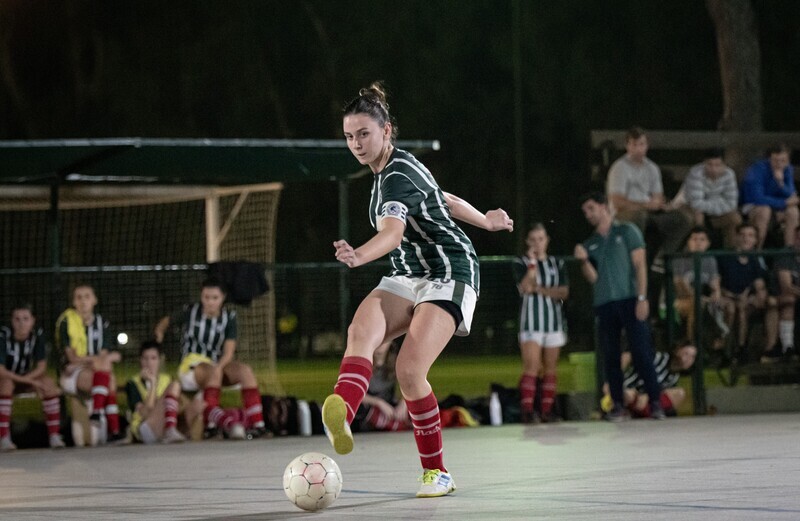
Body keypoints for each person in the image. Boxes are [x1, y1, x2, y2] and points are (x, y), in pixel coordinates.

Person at [321, 82, 514, 498]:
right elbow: (442, 198)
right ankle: (342, 410)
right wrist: (485, 219)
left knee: (409, 371)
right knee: (361, 331)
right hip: (410, 273)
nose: (355, 143)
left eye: (363, 134)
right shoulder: (393, 172)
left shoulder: (395, 176)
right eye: (349, 136)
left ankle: (437, 473)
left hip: (449, 271)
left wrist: (358, 255)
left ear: (386, 130)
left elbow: (391, 234)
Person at [574, 191, 665, 422]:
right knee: (611, 356)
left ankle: (655, 402)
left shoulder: (626, 231)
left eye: (591, 209)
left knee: (641, 351)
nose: (588, 215)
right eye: (585, 211)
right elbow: (593, 278)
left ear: (604, 207)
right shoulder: (591, 243)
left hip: (630, 299)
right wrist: (583, 261)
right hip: (605, 303)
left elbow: (640, 265)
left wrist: (642, 298)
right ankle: (617, 404)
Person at [154, 277, 265, 440]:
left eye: (215, 298)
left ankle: (258, 426)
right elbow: (166, 321)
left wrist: (220, 366)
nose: (210, 302)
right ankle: (210, 426)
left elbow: (229, 351)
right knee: (214, 371)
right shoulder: (190, 311)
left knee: (245, 371)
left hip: (216, 364)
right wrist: (159, 334)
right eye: (206, 297)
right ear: (201, 296)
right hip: (192, 366)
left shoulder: (229, 317)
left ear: (223, 298)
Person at [606, 126, 692, 266]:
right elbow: (617, 202)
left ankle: (663, 257)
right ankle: (636, 257)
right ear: (627, 146)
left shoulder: (652, 168)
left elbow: (658, 195)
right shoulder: (619, 168)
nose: (638, 149)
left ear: (647, 146)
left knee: (682, 218)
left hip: (650, 211)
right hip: (625, 213)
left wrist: (659, 204)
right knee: (640, 216)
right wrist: (645, 205)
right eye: (634, 145)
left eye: (641, 144)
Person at [512, 223, 569, 423]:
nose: (538, 243)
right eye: (533, 239)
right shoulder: (521, 262)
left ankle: (547, 410)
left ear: (547, 240)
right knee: (532, 366)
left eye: (541, 239)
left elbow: (563, 292)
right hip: (531, 322)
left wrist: (541, 290)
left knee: (551, 368)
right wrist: (533, 265)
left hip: (553, 321)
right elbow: (526, 287)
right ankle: (528, 411)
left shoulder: (557, 263)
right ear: (528, 242)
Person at [54, 284, 124, 444]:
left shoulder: (102, 323)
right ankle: (113, 427)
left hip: (95, 373)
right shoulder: (67, 322)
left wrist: (90, 360)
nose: (83, 301)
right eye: (79, 297)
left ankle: (99, 414)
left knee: (107, 376)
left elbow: (102, 357)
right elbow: (72, 358)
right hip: (71, 374)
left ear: (94, 300)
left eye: (87, 297)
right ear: (73, 302)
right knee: (108, 375)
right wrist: (95, 360)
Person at [0, 304, 65, 450]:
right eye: (17, 319)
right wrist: (29, 381)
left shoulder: (37, 335)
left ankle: (54, 436)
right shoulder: (3, 336)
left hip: (26, 377)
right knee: (6, 384)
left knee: (48, 383)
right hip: (6, 379)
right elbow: (1, 370)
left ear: (32, 320)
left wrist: (30, 379)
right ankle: (3, 437)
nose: (21, 323)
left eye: (25, 319)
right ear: (12, 321)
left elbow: (41, 366)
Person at [716, 223, 777, 364]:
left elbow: (759, 283)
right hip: (728, 298)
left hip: (746, 300)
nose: (746, 239)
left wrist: (757, 293)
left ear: (755, 240)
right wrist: (732, 295)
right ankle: (726, 350)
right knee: (733, 308)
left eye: (750, 236)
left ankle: (747, 349)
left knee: (760, 305)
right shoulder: (725, 258)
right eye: (742, 235)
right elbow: (718, 283)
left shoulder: (755, 260)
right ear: (736, 237)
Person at [602, 345, 696, 419]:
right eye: (686, 353)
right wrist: (611, 380)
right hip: (629, 391)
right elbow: (627, 356)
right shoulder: (658, 357)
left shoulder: (674, 377)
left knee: (680, 393)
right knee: (628, 394)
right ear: (678, 350)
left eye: (692, 357)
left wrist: (648, 397)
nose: (688, 359)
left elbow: (662, 394)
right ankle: (622, 409)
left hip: (645, 401)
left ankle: (643, 412)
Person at [671, 226, 727, 348]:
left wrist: (715, 295)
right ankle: (694, 346)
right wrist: (700, 298)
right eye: (694, 239)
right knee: (697, 306)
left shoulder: (710, 260)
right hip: (682, 300)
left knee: (726, 306)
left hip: (705, 300)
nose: (698, 243)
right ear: (688, 242)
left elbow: (715, 284)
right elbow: (680, 286)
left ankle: (725, 349)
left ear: (708, 243)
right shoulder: (679, 260)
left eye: (702, 240)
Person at [124, 341, 188, 444]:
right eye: (145, 359)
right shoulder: (133, 384)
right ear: (140, 361)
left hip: (161, 424)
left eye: (153, 358)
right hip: (145, 427)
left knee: (196, 403)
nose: (149, 363)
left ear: (159, 360)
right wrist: (152, 383)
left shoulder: (166, 379)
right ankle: (170, 430)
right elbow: (145, 412)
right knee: (175, 385)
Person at [679, 148, 742, 248]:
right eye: (709, 164)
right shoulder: (695, 173)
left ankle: (731, 254)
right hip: (695, 211)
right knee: (696, 216)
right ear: (704, 163)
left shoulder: (729, 175)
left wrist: (711, 208)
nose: (713, 169)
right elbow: (696, 204)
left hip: (717, 214)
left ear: (724, 165)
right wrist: (718, 203)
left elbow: (731, 204)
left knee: (735, 219)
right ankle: (696, 253)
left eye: (717, 165)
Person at [740, 144, 799, 249]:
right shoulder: (757, 169)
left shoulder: (787, 169)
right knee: (765, 210)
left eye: (783, 160)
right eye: (776, 160)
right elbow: (757, 198)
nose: (779, 164)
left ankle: (789, 250)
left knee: (793, 212)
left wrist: (780, 183)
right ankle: (757, 251)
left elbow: (791, 194)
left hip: (776, 205)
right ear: (769, 159)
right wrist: (783, 203)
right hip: (753, 205)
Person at [354, 341, 411, 433]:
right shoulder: (362, 362)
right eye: (377, 340)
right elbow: (353, 393)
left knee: (418, 405)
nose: (380, 344)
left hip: (390, 408)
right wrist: (379, 403)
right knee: (359, 409)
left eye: (384, 341)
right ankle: (385, 424)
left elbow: (411, 385)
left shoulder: (397, 361)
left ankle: (390, 423)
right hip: (370, 407)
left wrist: (404, 403)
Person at [768, 226, 800, 363]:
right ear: (794, 238)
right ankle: (787, 347)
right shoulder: (786, 255)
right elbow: (786, 286)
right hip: (782, 297)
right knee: (789, 301)